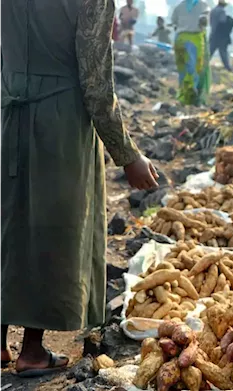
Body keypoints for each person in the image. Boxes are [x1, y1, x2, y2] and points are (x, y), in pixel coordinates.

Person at [0, 0, 158, 377]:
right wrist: (128, 154)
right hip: (61, 122)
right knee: (52, 227)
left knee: (7, 224)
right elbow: (96, 82)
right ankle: (33, 350)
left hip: (7, 112)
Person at [171, 0, 212, 106]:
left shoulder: (179, 6)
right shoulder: (203, 6)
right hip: (194, 40)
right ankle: (191, 97)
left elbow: (174, 24)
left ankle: (183, 97)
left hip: (179, 40)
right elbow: (204, 21)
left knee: (183, 70)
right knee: (195, 69)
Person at [209, 0, 233, 71]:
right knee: (223, 52)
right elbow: (222, 22)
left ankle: (202, 65)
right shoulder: (222, 11)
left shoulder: (213, 11)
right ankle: (227, 67)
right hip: (220, 36)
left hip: (213, 34)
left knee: (210, 51)